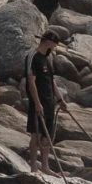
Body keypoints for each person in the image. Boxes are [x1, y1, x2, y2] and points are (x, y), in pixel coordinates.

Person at [24, 29, 66, 174]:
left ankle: (45, 166)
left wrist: (60, 99)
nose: (55, 47)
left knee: (47, 135)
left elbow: (52, 81)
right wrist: (36, 103)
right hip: (38, 102)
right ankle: (34, 166)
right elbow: (31, 81)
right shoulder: (33, 56)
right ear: (48, 42)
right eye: (55, 44)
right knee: (36, 134)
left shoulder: (47, 59)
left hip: (49, 102)